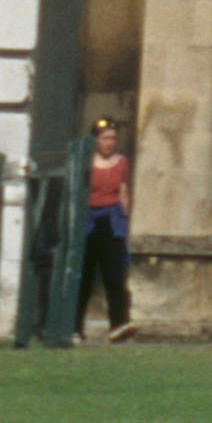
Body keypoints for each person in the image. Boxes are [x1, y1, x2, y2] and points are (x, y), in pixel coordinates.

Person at [72, 118, 134, 337]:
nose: (109, 143)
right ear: (96, 140)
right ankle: (74, 327)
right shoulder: (85, 162)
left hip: (112, 220)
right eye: (105, 138)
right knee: (85, 275)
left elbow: (124, 192)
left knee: (115, 274)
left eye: (113, 138)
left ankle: (118, 324)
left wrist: (125, 223)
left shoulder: (122, 162)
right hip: (89, 221)